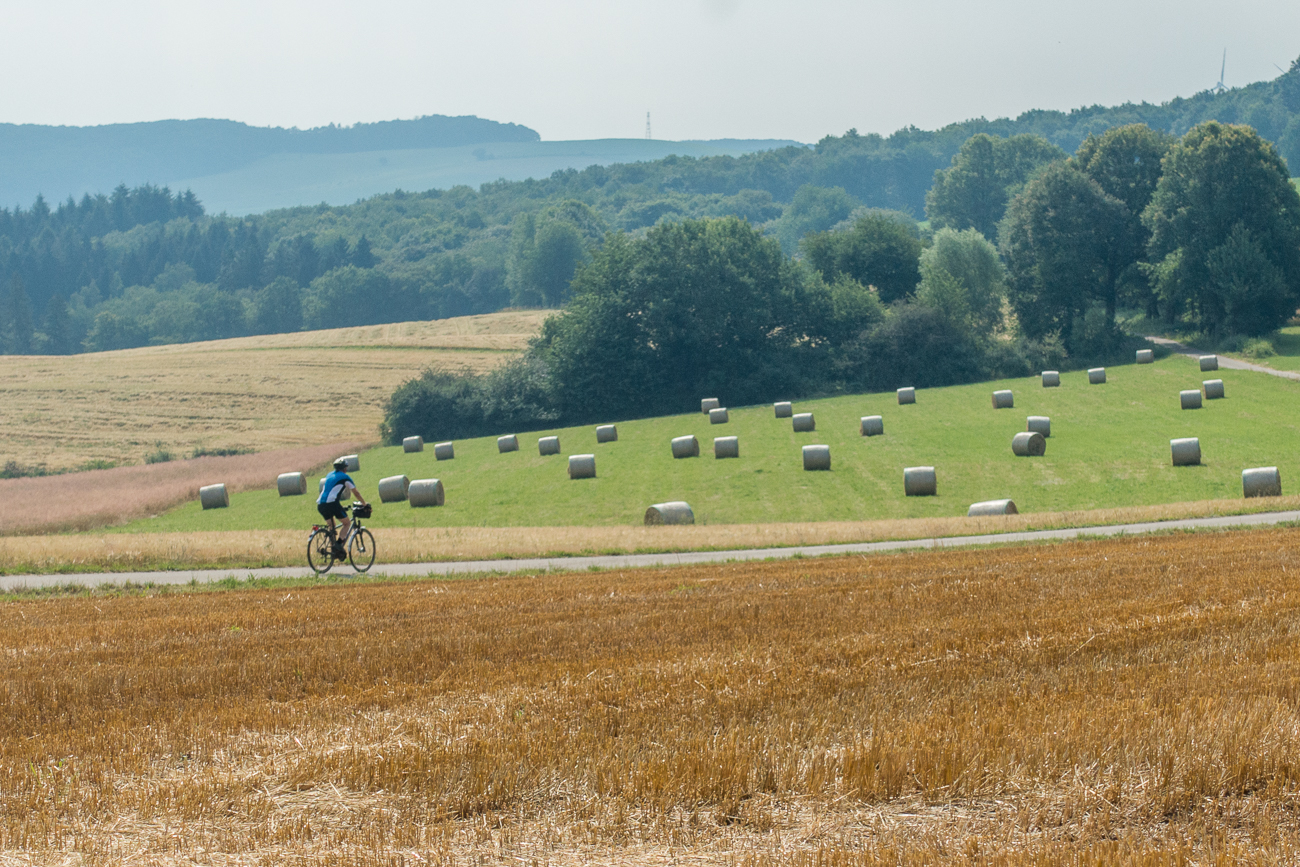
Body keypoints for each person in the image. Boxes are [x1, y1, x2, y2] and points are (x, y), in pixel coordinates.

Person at [318, 459, 368, 558]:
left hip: (321, 504)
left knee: (332, 527)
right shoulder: (345, 477)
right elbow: (356, 493)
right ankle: (338, 544)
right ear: (345, 468)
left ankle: (334, 551)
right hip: (332, 503)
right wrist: (364, 504)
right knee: (347, 523)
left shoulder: (329, 475)